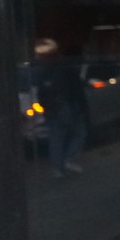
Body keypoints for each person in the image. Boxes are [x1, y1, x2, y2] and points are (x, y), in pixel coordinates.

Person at [33, 38, 88, 178]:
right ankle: (68, 160)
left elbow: (41, 91)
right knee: (79, 132)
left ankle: (57, 167)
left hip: (52, 107)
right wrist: (80, 105)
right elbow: (76, 88)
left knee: (56, 137)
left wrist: (45, 106)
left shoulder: (42, 70)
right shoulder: (64, 68)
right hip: (65, 105)